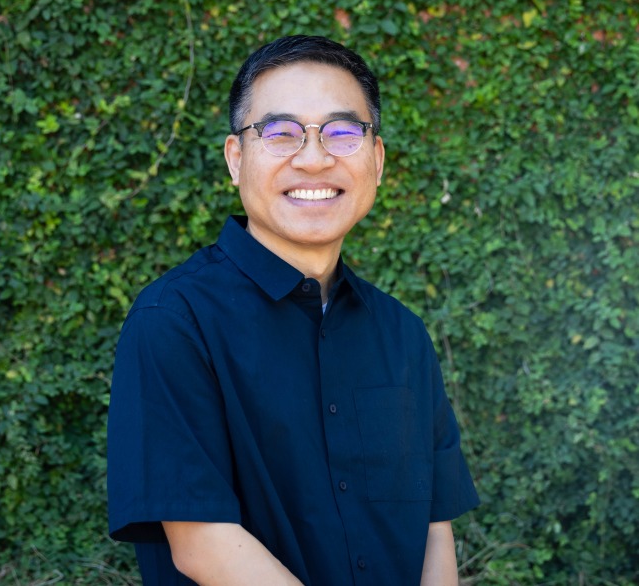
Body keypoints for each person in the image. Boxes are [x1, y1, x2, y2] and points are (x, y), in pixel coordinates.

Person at [107, 35, 479, 585]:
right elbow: (201, 543)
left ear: (376, 161)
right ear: (237, 159)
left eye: (343, 131)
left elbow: (433, 529)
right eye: (280, 133)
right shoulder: (174, 319)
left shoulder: (403, 335)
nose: (313, 157)